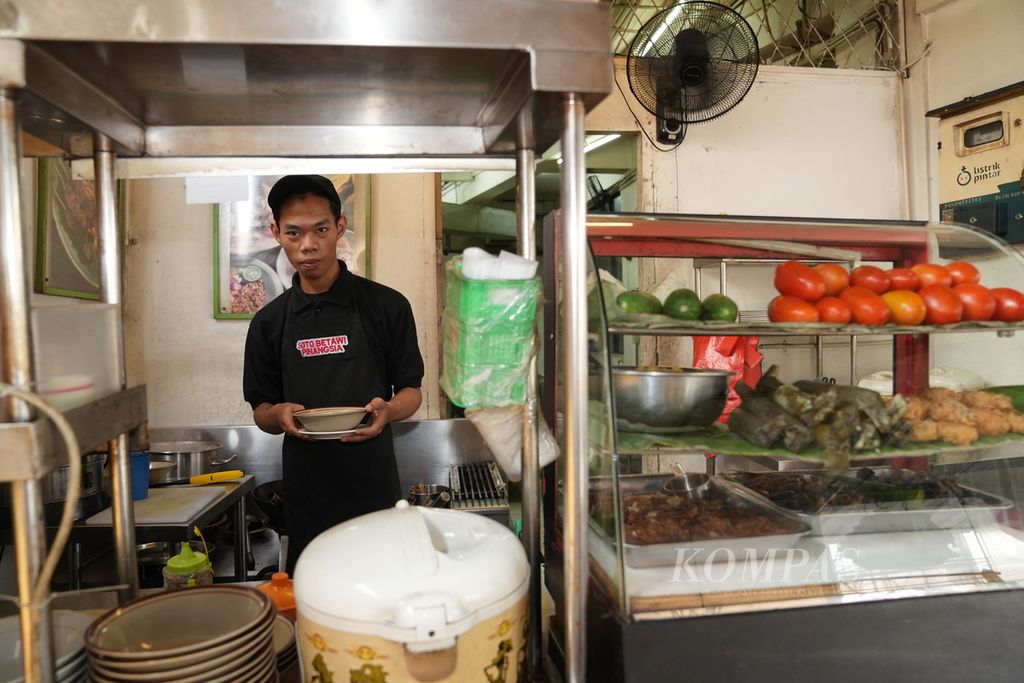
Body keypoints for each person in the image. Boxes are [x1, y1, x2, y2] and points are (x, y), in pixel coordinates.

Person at [243, 175, 424, 573]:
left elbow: (412, 390)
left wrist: (387, 412)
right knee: (317, 596)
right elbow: (261, 410)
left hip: (373, 488)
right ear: (276, 232)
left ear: (339, 227)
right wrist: (277, 415)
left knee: (381, 592)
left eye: (320, 230)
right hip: (308, 495)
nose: (308, 245)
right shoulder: (268, 323)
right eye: (293, 232)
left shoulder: (388, 306)